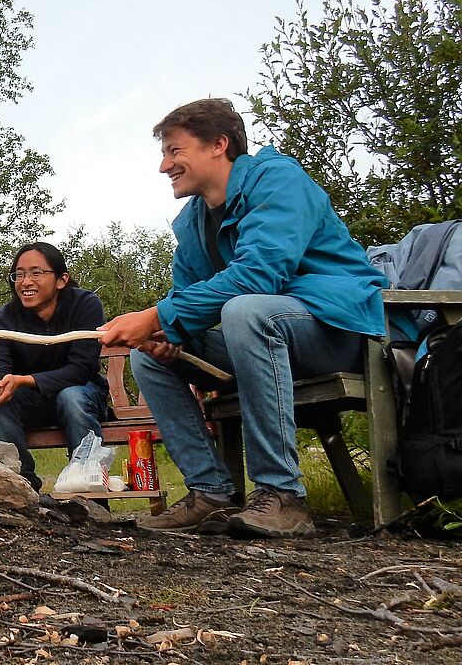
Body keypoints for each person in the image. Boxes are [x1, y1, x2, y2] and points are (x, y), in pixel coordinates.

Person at [99, 98, 385, 538]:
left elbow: (260, 275)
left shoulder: (279, 181)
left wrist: (157, 314)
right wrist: (162, 332)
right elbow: (185, 300)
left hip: (333, 331)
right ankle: (210, 492)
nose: (164, 166)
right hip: (261, 341)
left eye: (175, 151)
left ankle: (282, 495)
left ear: (218, 144)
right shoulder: (193, 222)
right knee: (150, 357)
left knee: (245, 308)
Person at [0, 242, 108, 491]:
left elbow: (80, 369)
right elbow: (0, 388)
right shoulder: (2, 321)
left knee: (71, 396)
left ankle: (88, 486)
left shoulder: (84, 305)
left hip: (82, 397)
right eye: (19, 274)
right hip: (30, 404)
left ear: (61, 280)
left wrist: (25, 380)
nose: (25, 282)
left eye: (36, 273)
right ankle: (19, 487)